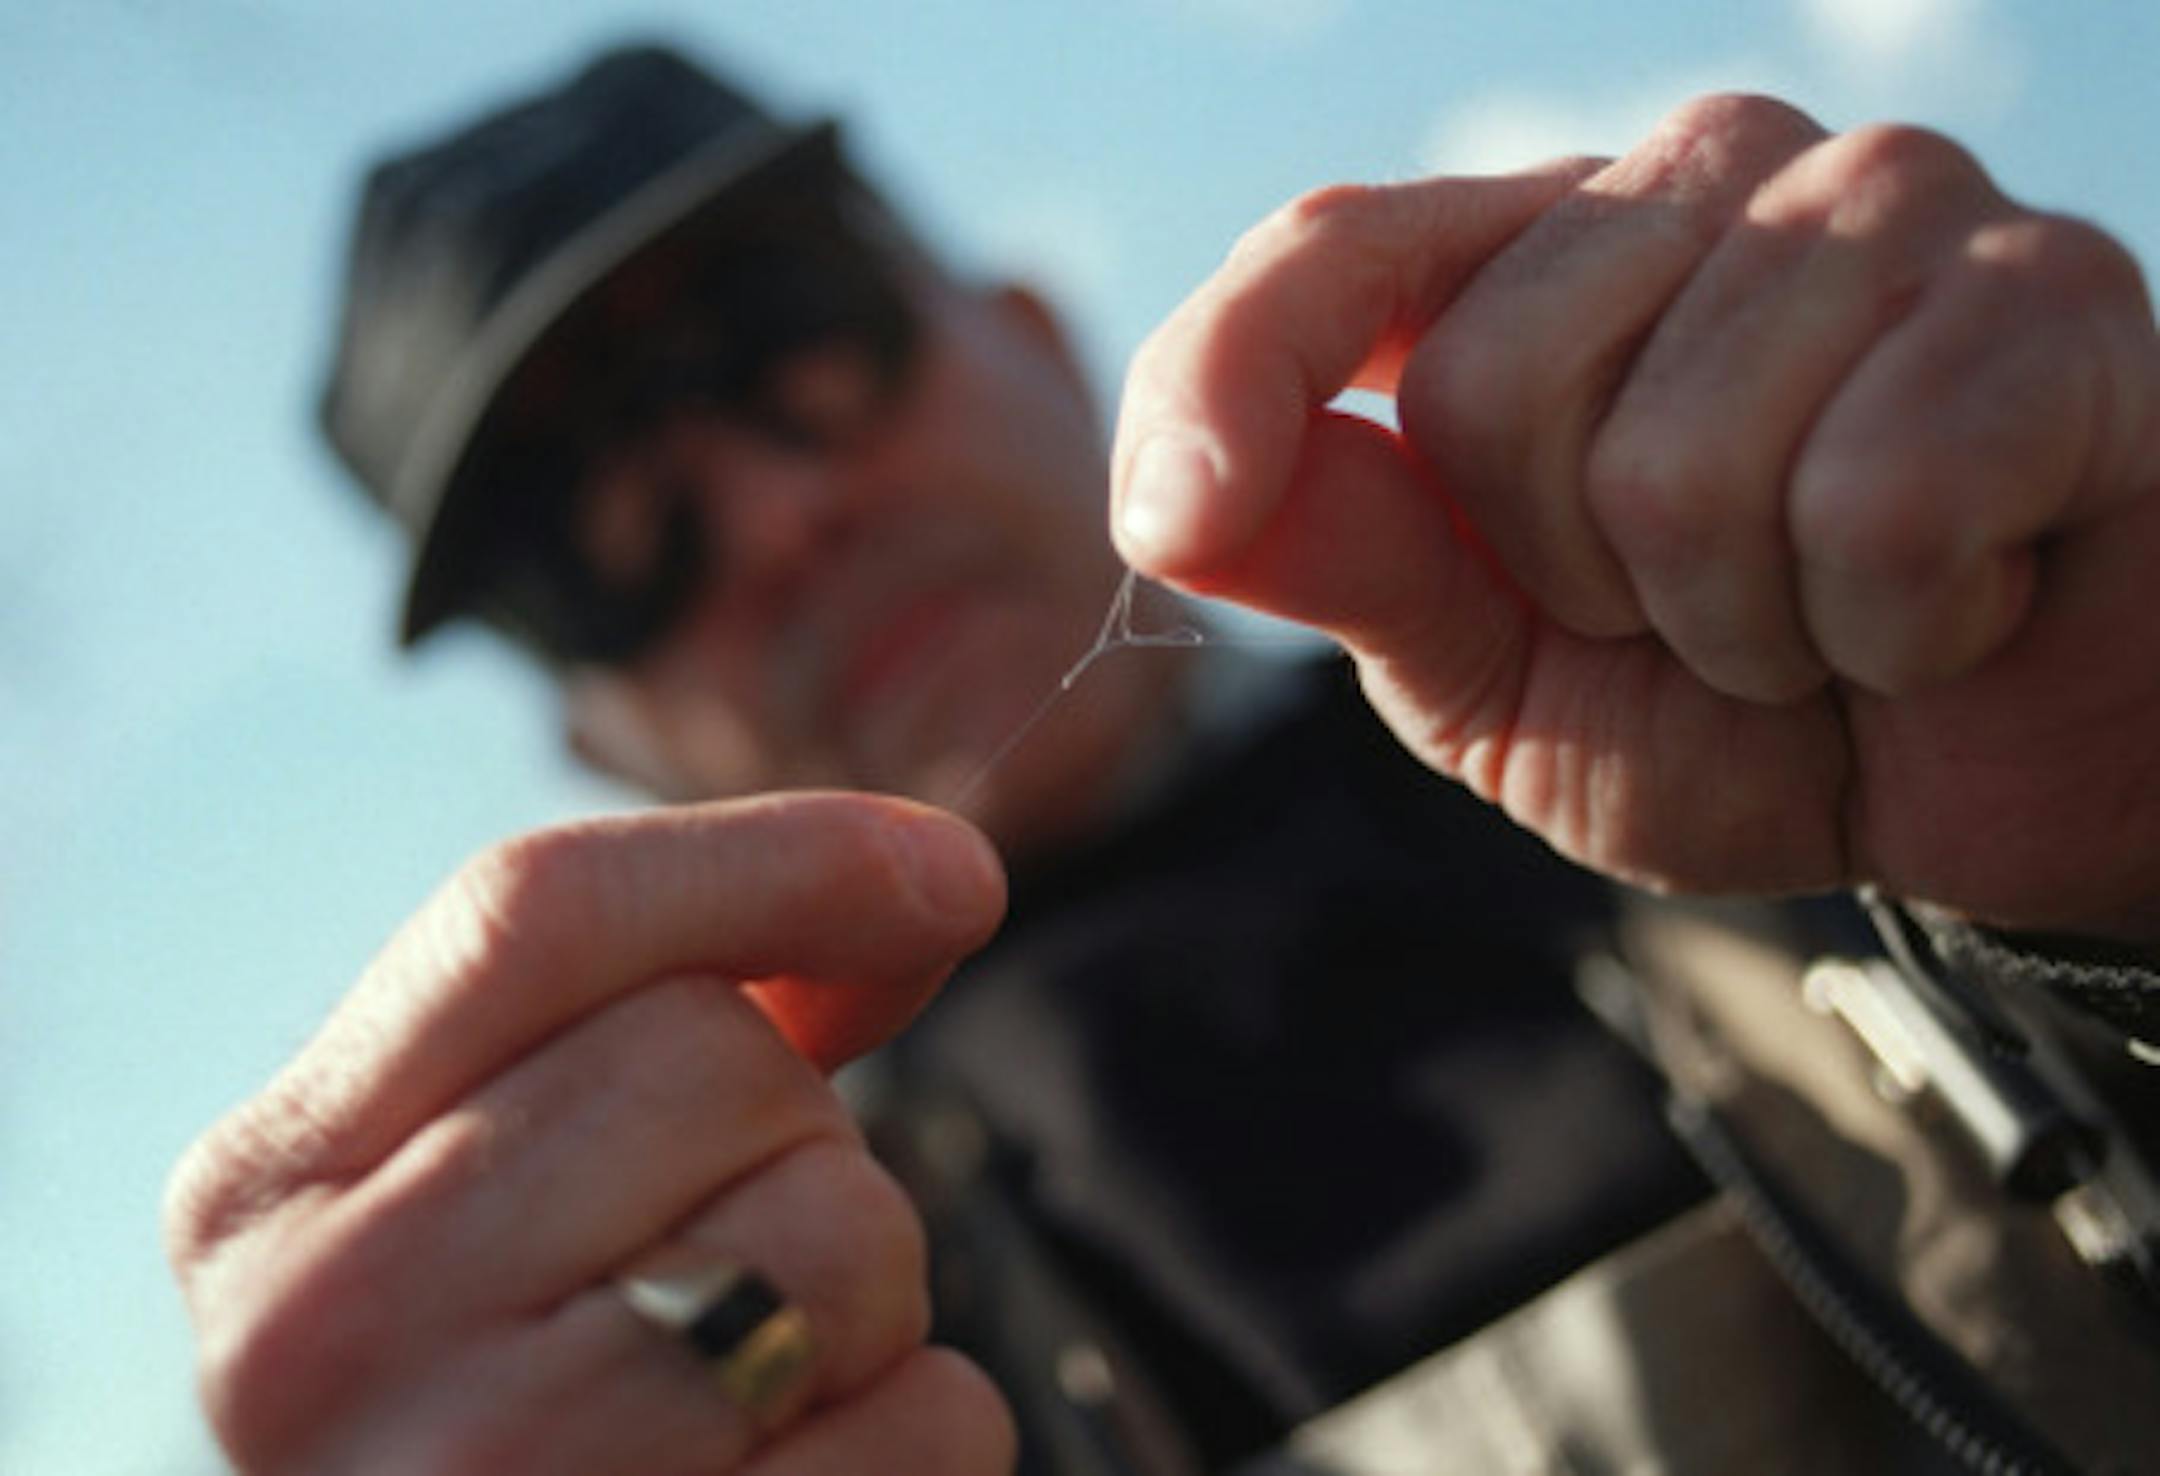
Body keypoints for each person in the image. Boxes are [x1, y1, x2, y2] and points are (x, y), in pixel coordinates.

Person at [162, 42, 2160, 1476]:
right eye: (604, 552)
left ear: (1034, 334)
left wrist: (2115, 868)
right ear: (594, 730)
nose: (776, 522)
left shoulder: (1773, 709)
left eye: (792, 338)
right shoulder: (756, 1330)